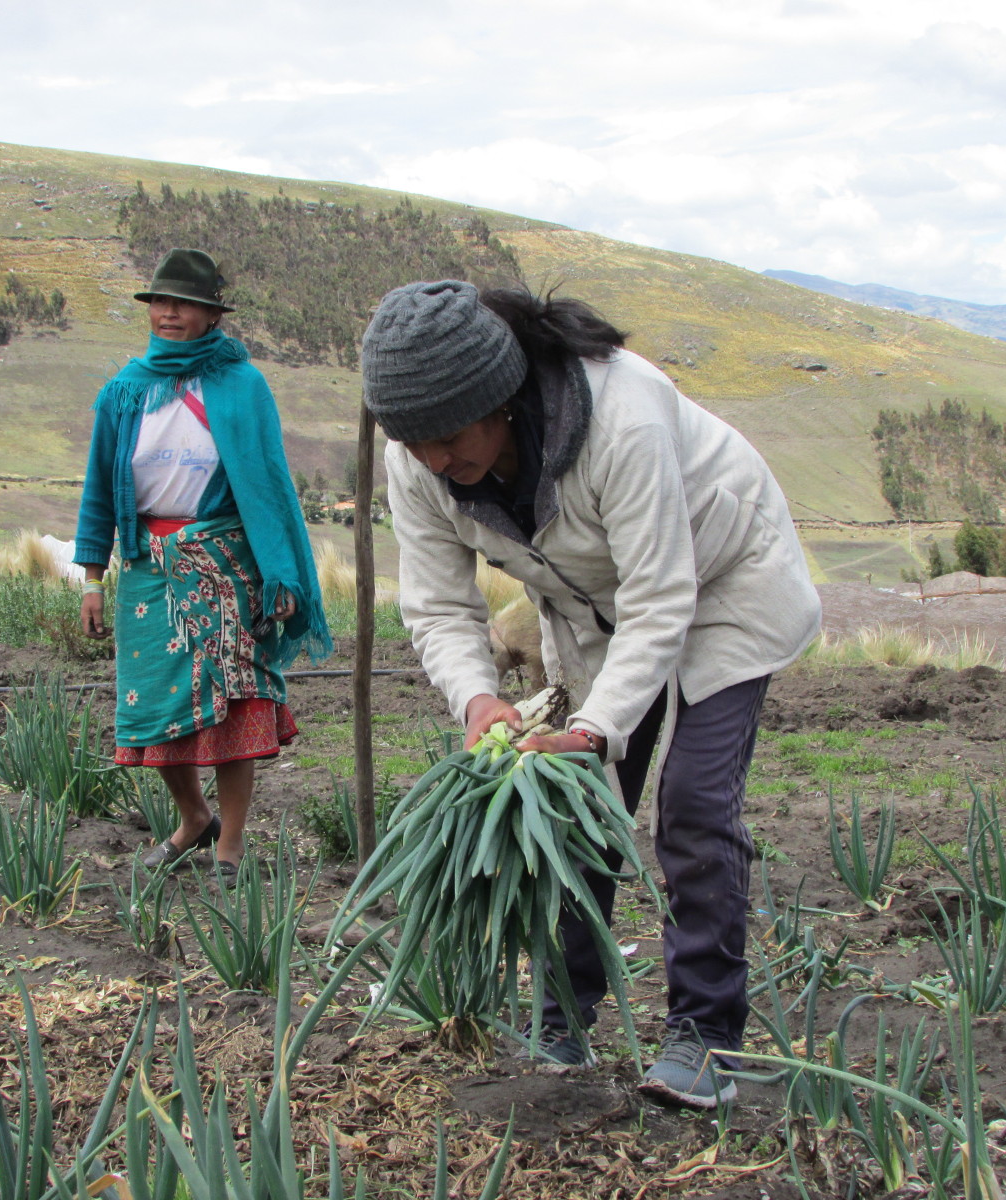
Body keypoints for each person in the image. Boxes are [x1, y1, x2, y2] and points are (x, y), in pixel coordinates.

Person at [360, 280, 820, 1108]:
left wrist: (600, 723)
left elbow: (662, 595)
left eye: (447, 435)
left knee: (692, 804)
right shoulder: (420, 462)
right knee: (573, 802)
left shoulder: (623, 415)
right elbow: (436, 603)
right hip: (598, 615)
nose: (431, 458)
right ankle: (562, 1017)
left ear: (499, 397)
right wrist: (476, 701)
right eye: (411, 439)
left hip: (723, 583)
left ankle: (707, 1038)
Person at [75, 248, 331, 884]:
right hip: (147, 568)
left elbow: (268, 485)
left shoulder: (241, 387)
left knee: (233, 707)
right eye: (160, 302)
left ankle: (232, 846)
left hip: (226, 564)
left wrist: (281, 574)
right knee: (153, 706)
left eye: (184, 303)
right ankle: (194, 819)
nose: (168, 312)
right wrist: (92, 577)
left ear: (212, 314)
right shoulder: (124, 391)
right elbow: (99, 491)